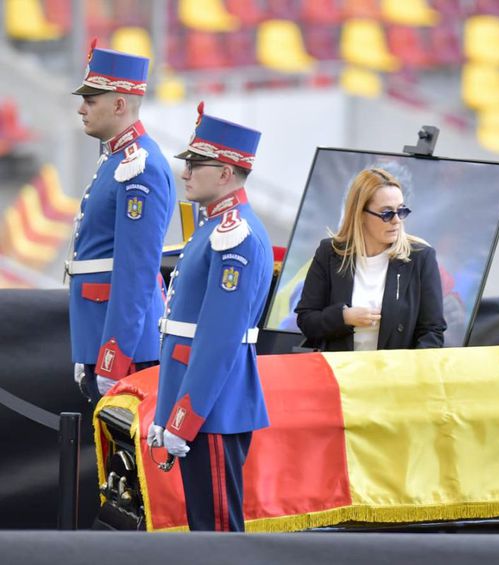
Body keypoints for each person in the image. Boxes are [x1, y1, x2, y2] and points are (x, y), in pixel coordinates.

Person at [148, 103, 273, 532]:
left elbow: (218, 340)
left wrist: (185, 415)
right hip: (199, 403)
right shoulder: (215, 227)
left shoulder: (234, 234)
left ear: (225, 173)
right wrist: (170, 412)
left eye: (196, 164)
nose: (185, 172)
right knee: (205, 525)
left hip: (213, 407)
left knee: (217, 532)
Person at [67, 40, 176, 402]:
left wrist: (114, 355)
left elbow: (137, 271)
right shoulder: (116, 159)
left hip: (125, 349)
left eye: (91, 100)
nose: (82, 109)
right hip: (101, 336)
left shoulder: (137, 168)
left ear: (118, 104)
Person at [295, 167, 446, 351]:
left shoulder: (421, 257)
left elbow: (432, 331)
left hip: (393, 375)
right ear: (360, 215)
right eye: (387, 214)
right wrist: (344, 318)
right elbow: (307, 320)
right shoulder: (330, 252)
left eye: (401, 211)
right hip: (337, 373)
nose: (396, 220)